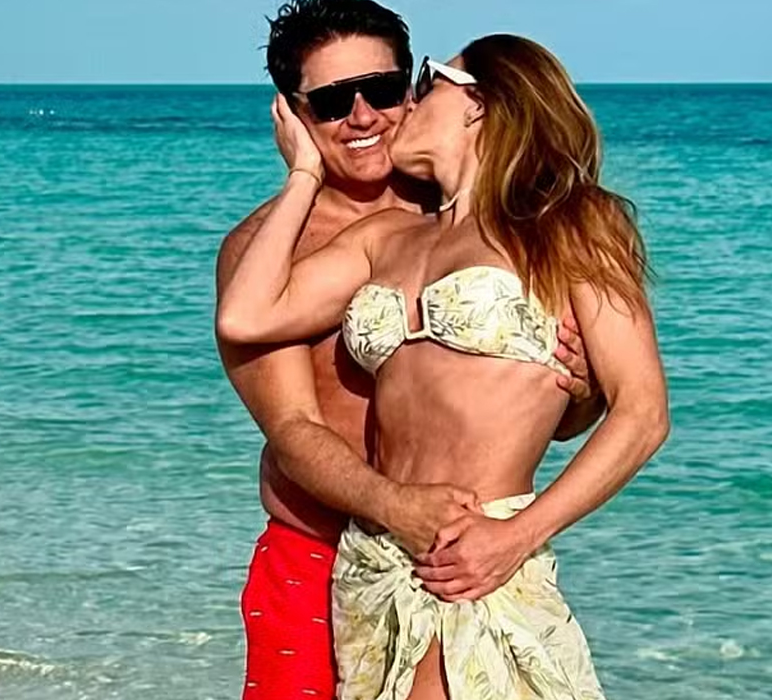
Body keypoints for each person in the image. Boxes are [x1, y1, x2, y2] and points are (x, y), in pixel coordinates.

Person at [217, 33, 670, 700]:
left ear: (478, 104)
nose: (369, 114)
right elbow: (248, 320)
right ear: (296, 110)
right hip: (362, 564)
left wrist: (520, 528)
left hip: (474, 553)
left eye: (403, 86)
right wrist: (303, 174)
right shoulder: (381, 240)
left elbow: (642, 411)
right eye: (334, 101)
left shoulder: (568, 222)